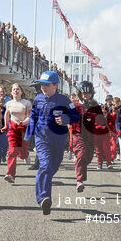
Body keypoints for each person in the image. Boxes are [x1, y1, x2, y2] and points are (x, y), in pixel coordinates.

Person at [24, 71, 79, 215]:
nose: (43, 87)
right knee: (45, 165)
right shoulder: (38, 99)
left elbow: (75, 116)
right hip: (42, 138)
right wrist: (27, 138)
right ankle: (44, 198)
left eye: (47, 85)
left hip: (59, 140)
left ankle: (43, 186)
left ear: (56, 85)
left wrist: (65, 119)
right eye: (42, 84)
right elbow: (33, 118)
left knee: (52, 166)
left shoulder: (64, 100)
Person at [70, 81, 104, 192]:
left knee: (88, 157)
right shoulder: (74, 105)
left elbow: (101, 120)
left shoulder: (95, 105)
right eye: (84, 93)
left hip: (90, 135)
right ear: (79, 94)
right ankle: (79, 181)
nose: (86, 95)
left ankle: (80, 165)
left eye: (88, 93)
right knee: (81, 154)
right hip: (78, 134)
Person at [4, 83, 32, 183]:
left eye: (18, 89)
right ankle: (10, 174)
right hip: (13, 129)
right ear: (11, 92)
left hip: (24, 129)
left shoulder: (26, 103)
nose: (16, 91)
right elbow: (6, 115)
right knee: (12, 151)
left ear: (21, 91)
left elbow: (29, 117)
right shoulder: (9, 103)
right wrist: (5, 125)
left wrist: (24, 122)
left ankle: (25, 155)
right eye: (14, 89)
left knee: (22, 151)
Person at [0, 85, 9, 165]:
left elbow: (8, 118)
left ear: (4, 103)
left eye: (2, 102)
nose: (0, 103)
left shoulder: (6, 110)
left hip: (5, 129)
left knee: (5, 144)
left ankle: (3, 155)